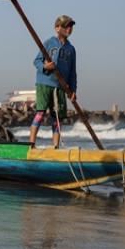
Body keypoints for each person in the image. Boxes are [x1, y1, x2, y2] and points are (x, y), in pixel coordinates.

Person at [28, 15, 77, 149]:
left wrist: (73, 90)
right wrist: (45, 66)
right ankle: (31, 144)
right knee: (41, 112)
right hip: (44, 83)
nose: (69, 28)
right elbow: (36, 61)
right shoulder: (49, 43)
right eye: (66, 26)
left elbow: (72, 72)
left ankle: (55, 147)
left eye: (71, 26)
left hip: (61, 86)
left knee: (57, 117)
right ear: (57, 28)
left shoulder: (71, 49)